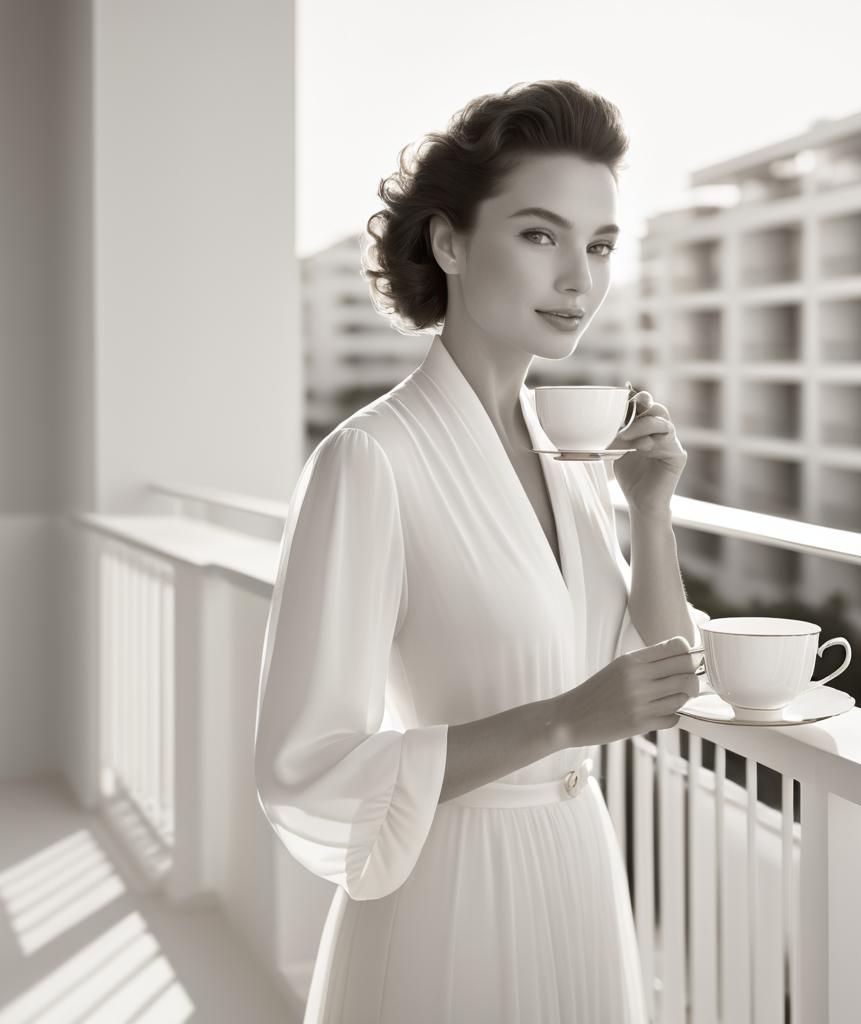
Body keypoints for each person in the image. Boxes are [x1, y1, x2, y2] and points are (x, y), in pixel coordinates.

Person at [253, 79, 708, 1024]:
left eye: (600, 245)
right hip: (450, 890)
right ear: (450, 242)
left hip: (579, 867)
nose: (578, 279)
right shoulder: (369, 459)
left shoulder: (568, 454)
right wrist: (559, 722)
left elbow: (665, 679)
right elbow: (304, 764)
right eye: (541, 235)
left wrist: (652, 511)